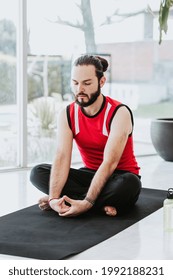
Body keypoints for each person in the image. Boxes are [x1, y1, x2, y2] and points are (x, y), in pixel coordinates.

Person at [30, 54, 141, 218]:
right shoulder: (67, 114)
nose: (79, 89)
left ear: (101, 82)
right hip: (89, 175)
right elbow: (62, 156)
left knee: (129, 185)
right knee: (38, 173)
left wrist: (87, 202)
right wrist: (53, 198)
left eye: (87, 83)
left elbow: (110, 163)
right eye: (75, 83)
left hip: (119, 177)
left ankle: (78, 201)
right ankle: (98, 203)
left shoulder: (119, 112)